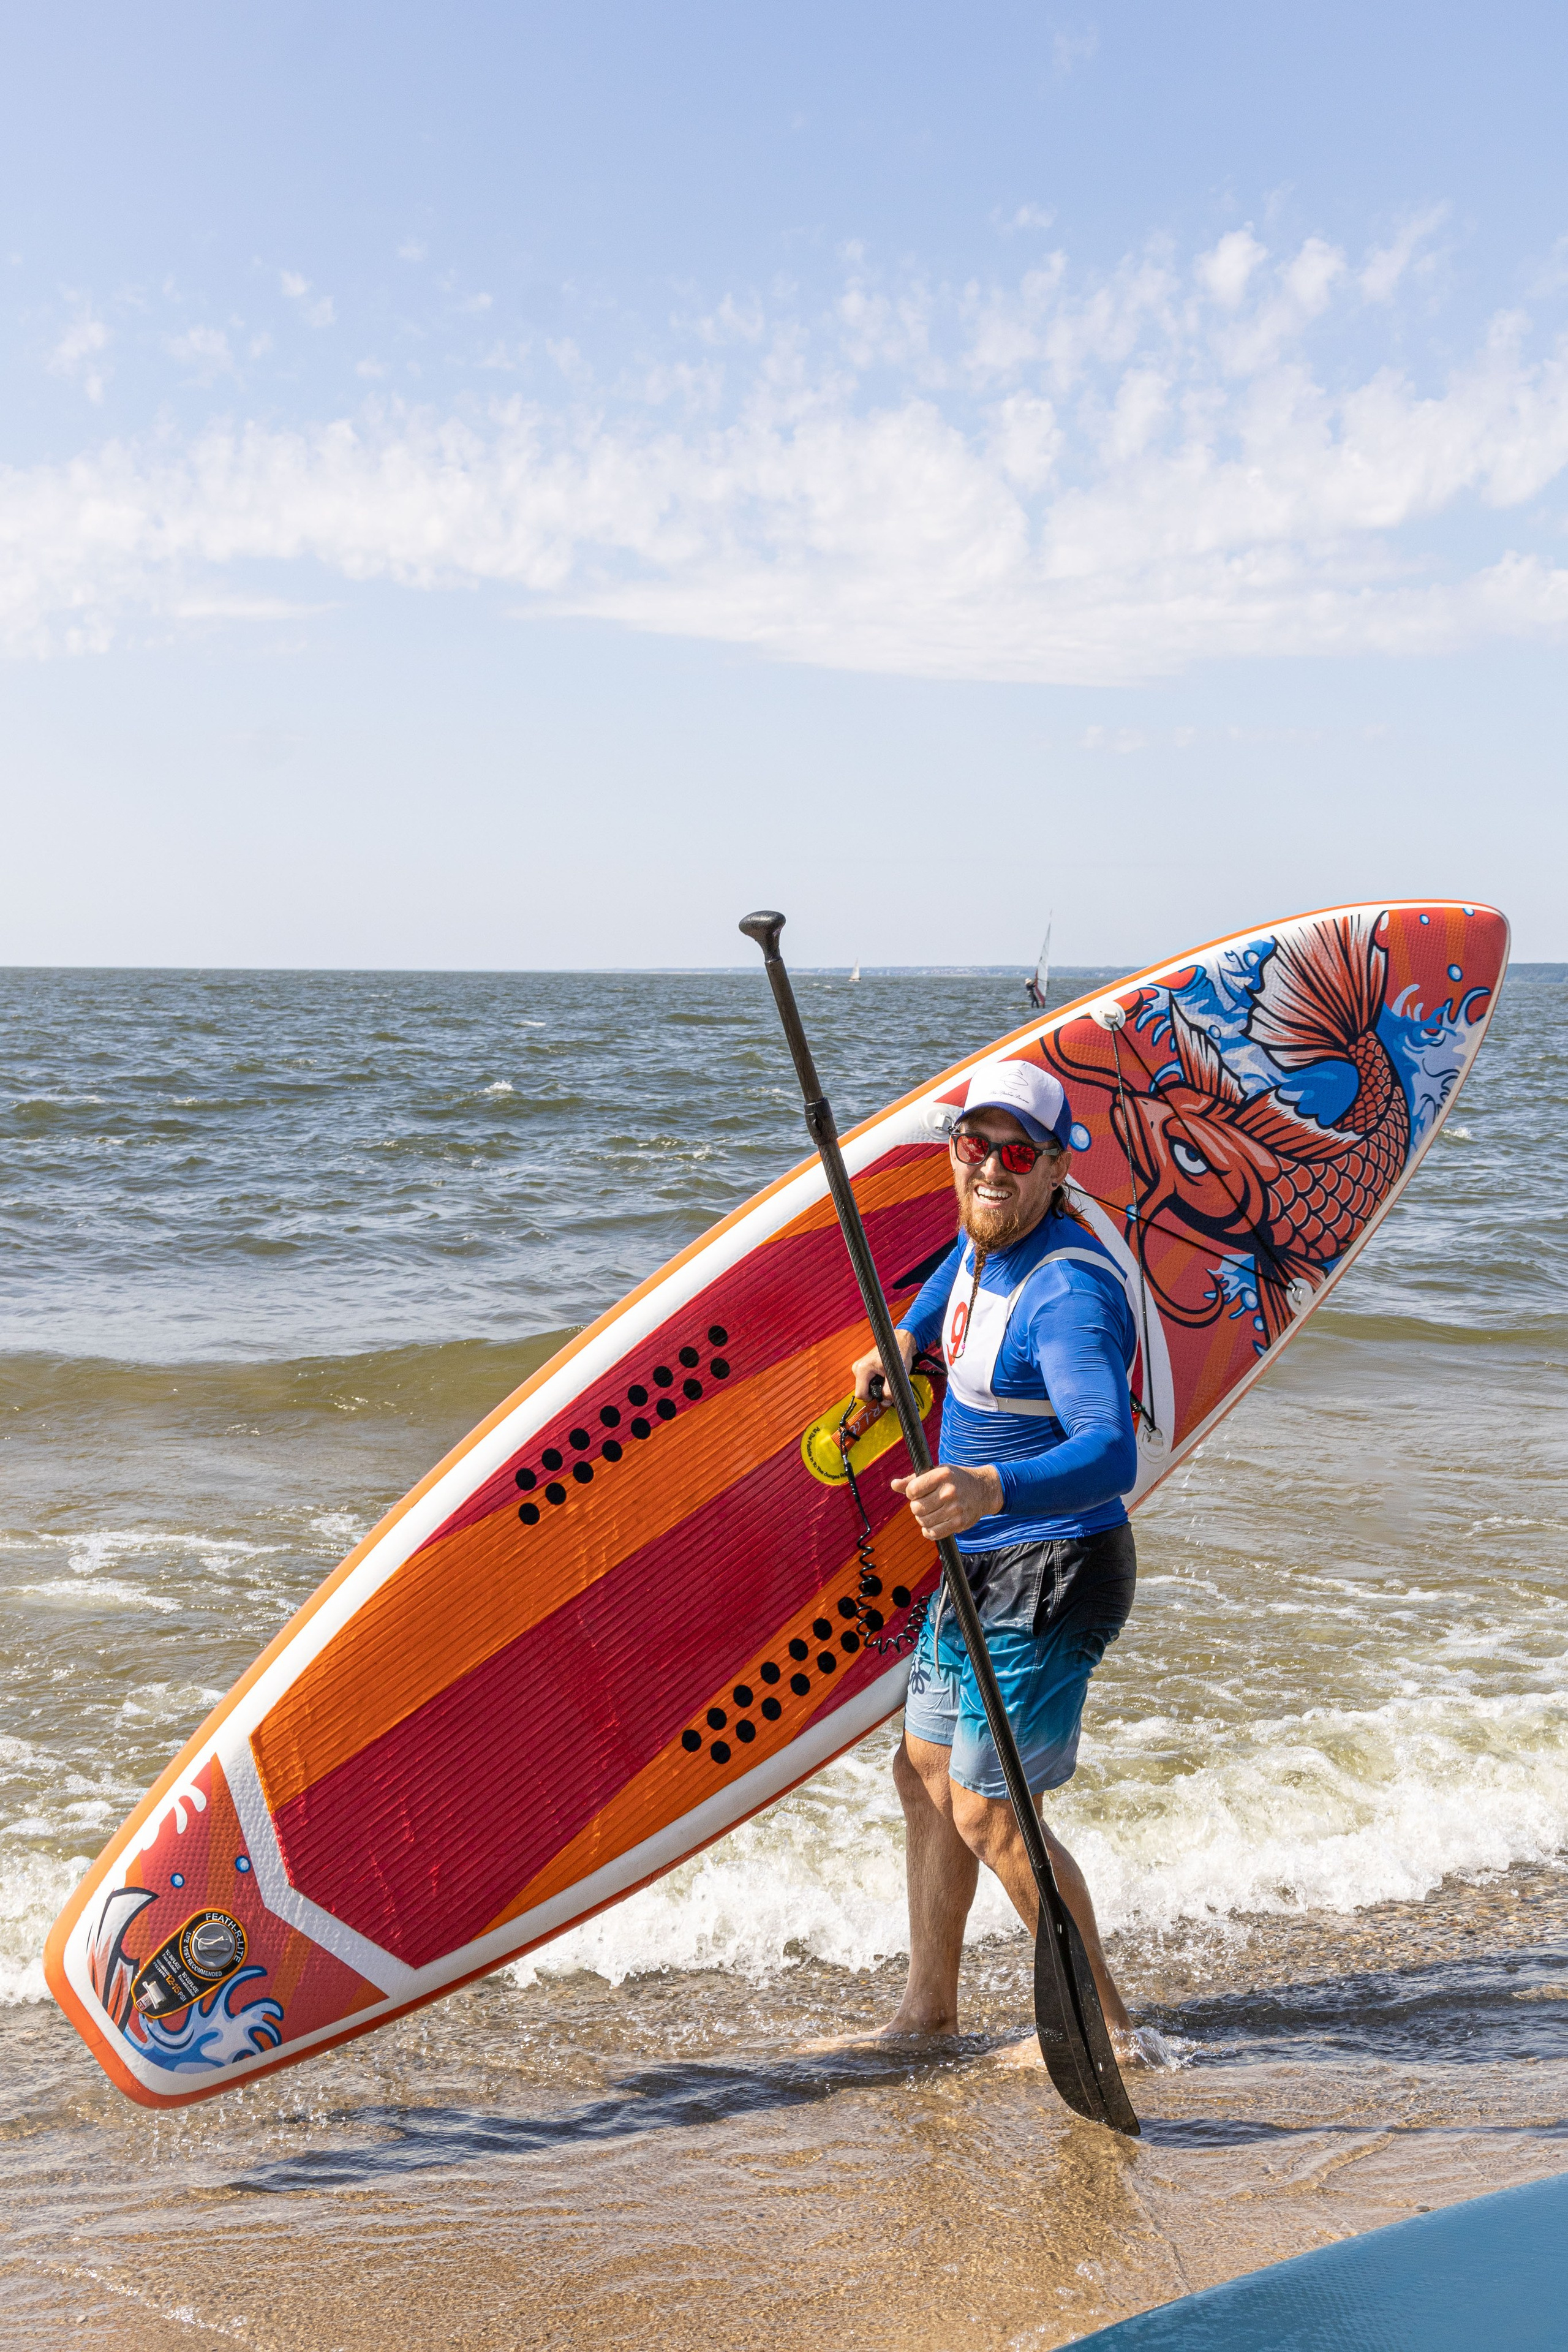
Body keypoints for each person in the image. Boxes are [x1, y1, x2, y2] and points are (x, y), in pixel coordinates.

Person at [850, 1056, 1141, 2054]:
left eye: (1018, 1154)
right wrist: (902, 1338)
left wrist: (989, 1488)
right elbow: (953, 1281)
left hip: (1054, 1566)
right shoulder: (988, 1235)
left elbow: (1111, 1448)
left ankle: (1107, 2030)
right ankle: (929, 2014)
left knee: (991, 1810)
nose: (990, 1169)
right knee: (923, 1769)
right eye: (973, 1147)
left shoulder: (1067, 1296)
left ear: (1057, 1169)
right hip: (980, 1559)